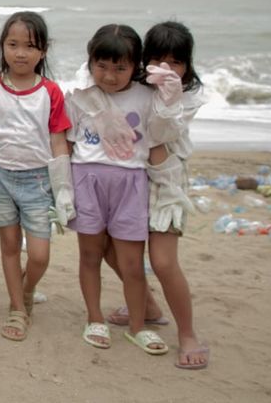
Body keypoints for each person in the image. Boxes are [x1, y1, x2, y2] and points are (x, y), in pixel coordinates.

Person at [66, 24, 182, 354]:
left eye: (120, 68)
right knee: (90, 256)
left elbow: (163, 135)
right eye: (101, 66)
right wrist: (61, 189)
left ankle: (138, 327)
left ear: (136, 65)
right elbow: (67, 142)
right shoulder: (80, 96)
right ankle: (94, 318)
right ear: (90, 62)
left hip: (131, 183)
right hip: (86, 179)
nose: (110, 75)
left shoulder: (147, 97)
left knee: (132, 264)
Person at [104, 21, 209, 369]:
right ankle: (147, 305)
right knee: (107, 247)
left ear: (187, 66)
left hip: (166, 185)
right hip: (130, 179)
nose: (166, 69)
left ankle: (188, 335)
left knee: (163, 262)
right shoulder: (133, 87)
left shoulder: (187, 97)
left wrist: (168, 97)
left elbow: (161, 134)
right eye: (158, 60)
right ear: (144, 60)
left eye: (175, 62)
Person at [0, 12, 72, 341]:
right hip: (0, 178)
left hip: (38, 181)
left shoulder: (51, 92)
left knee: (40, 255)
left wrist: (64, 189)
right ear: (2, 47)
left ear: (43, 51)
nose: (21, 53)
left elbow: (59, 141)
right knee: (10, 246)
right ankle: (17, 307)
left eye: (30, 46)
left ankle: (27, 289)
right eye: (13, 44)